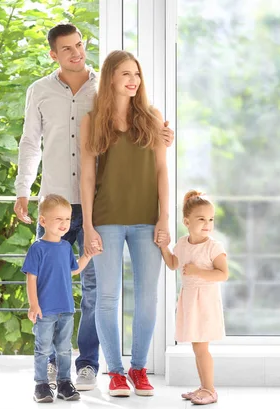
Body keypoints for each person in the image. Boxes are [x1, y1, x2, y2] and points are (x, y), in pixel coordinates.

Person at [14, 23, 175, 391]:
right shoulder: (41, 92)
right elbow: (30, 143)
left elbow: (155, 154)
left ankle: (91, 364)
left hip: (103, 210)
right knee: (57, 284)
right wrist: (22, 189)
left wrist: (163, 135)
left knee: (96, 290)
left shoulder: (106, 90)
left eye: (80, 45)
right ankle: (55, 365)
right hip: (59, 201)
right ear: (53, 53)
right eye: (67, 48)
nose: (76, 53)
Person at [80, 50, 170, 397]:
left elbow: (162, 170)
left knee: (147, 298)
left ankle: (138, 369)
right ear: (110, 79)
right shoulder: (93, 121)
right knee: (106, 298)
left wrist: (164, 217)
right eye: (125, 75)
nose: (133, 80)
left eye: (137, 74)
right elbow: (87, 177)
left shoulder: (152, 117)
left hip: (148, 220)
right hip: (106, 220)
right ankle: (115, 372)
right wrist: (87, 225)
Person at [24, 194, 99, 403]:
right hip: (45, 310)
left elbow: (73, 271)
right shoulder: (37, 248)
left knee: (65, 349)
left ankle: (64, 382)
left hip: (66, 308)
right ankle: (41, 385)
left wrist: (88, 256)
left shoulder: (66, 247)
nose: (64, 224)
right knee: (43, 348)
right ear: (43, 221)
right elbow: (31, 278)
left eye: (67, 219)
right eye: (58, 219)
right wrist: (34, 304)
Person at [157, 190, 229, 405]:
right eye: (201, 219)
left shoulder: (213, 247)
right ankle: (204, 387)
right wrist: (163, 246)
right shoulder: (183, 243)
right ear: (187, 221)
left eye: (210, 219)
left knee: (201, 347)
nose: (207, 224)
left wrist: (198, 272)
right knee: (197, 347)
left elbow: (222, 274)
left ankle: (210, 389)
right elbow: (172, 264)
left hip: (205, 301)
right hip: (190, 299)